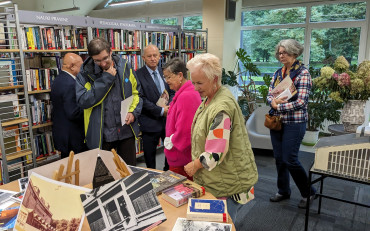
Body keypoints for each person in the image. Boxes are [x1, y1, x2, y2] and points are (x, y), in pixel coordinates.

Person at [184, 53, 258, 222]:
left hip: (227, 182)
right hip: (221, 177)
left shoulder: (220, 108)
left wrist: (195, 165)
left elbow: (215, 153)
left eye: (200, 83)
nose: (195, 88)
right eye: (193, 82)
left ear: (215, 79)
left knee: (223, 223)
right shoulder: (211, 97)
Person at [76, 38, 142, 166]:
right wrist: (106, 79)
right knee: (104, 178)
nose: (102, 63)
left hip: (125, 131)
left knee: (129, 173)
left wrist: (133, 112)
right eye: (97, 61)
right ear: (91, 58)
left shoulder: (124, 66)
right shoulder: (84, 74)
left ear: (111, 52)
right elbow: (83, 101)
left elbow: (136, 93)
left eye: (105, 58)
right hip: (101, 135)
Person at [267, 39, 316, 209]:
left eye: (285, 53)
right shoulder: (278, 73)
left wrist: (278, 105)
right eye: (279, 53)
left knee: (290, 159)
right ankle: (283, 190)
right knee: (279, 159)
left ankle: (309, 192)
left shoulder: (303, 74)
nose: (281, 56)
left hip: (295, 123)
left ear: (294, 53)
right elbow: (269, 94)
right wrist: (272, 102)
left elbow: (301, 102)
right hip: (278, 123)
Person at [136, 44, 174, 170]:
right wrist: (161, 111)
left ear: (159, 56)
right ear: (143, 58)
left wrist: (171, 106)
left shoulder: (165, 72)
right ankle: (152, 180)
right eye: (149, 56)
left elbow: (173, 91)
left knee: (170, 152)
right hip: (150, 122)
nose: (153, 58)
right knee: (150, 157)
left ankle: (167, 173)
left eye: (155, 55)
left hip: (168, 121)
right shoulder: (138, 75)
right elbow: (141, 99)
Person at [162, 58, 201, 180]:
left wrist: (171, 144)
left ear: (180, 75)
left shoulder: (187, 96)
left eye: (169, 77)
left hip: (181, 158)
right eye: (165, 77)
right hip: (180, 156)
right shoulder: (184, 93)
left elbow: (185, 131)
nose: (166, 81)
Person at [51, 53, 87, 158]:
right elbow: (73, 112)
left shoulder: (58, 80)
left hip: (63, 135)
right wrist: (90, 110)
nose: (82, 70)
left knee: (68, 167)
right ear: (72, 66)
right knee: (78, 168)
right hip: (73, 137)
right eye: (81, 66)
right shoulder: (71, 84)